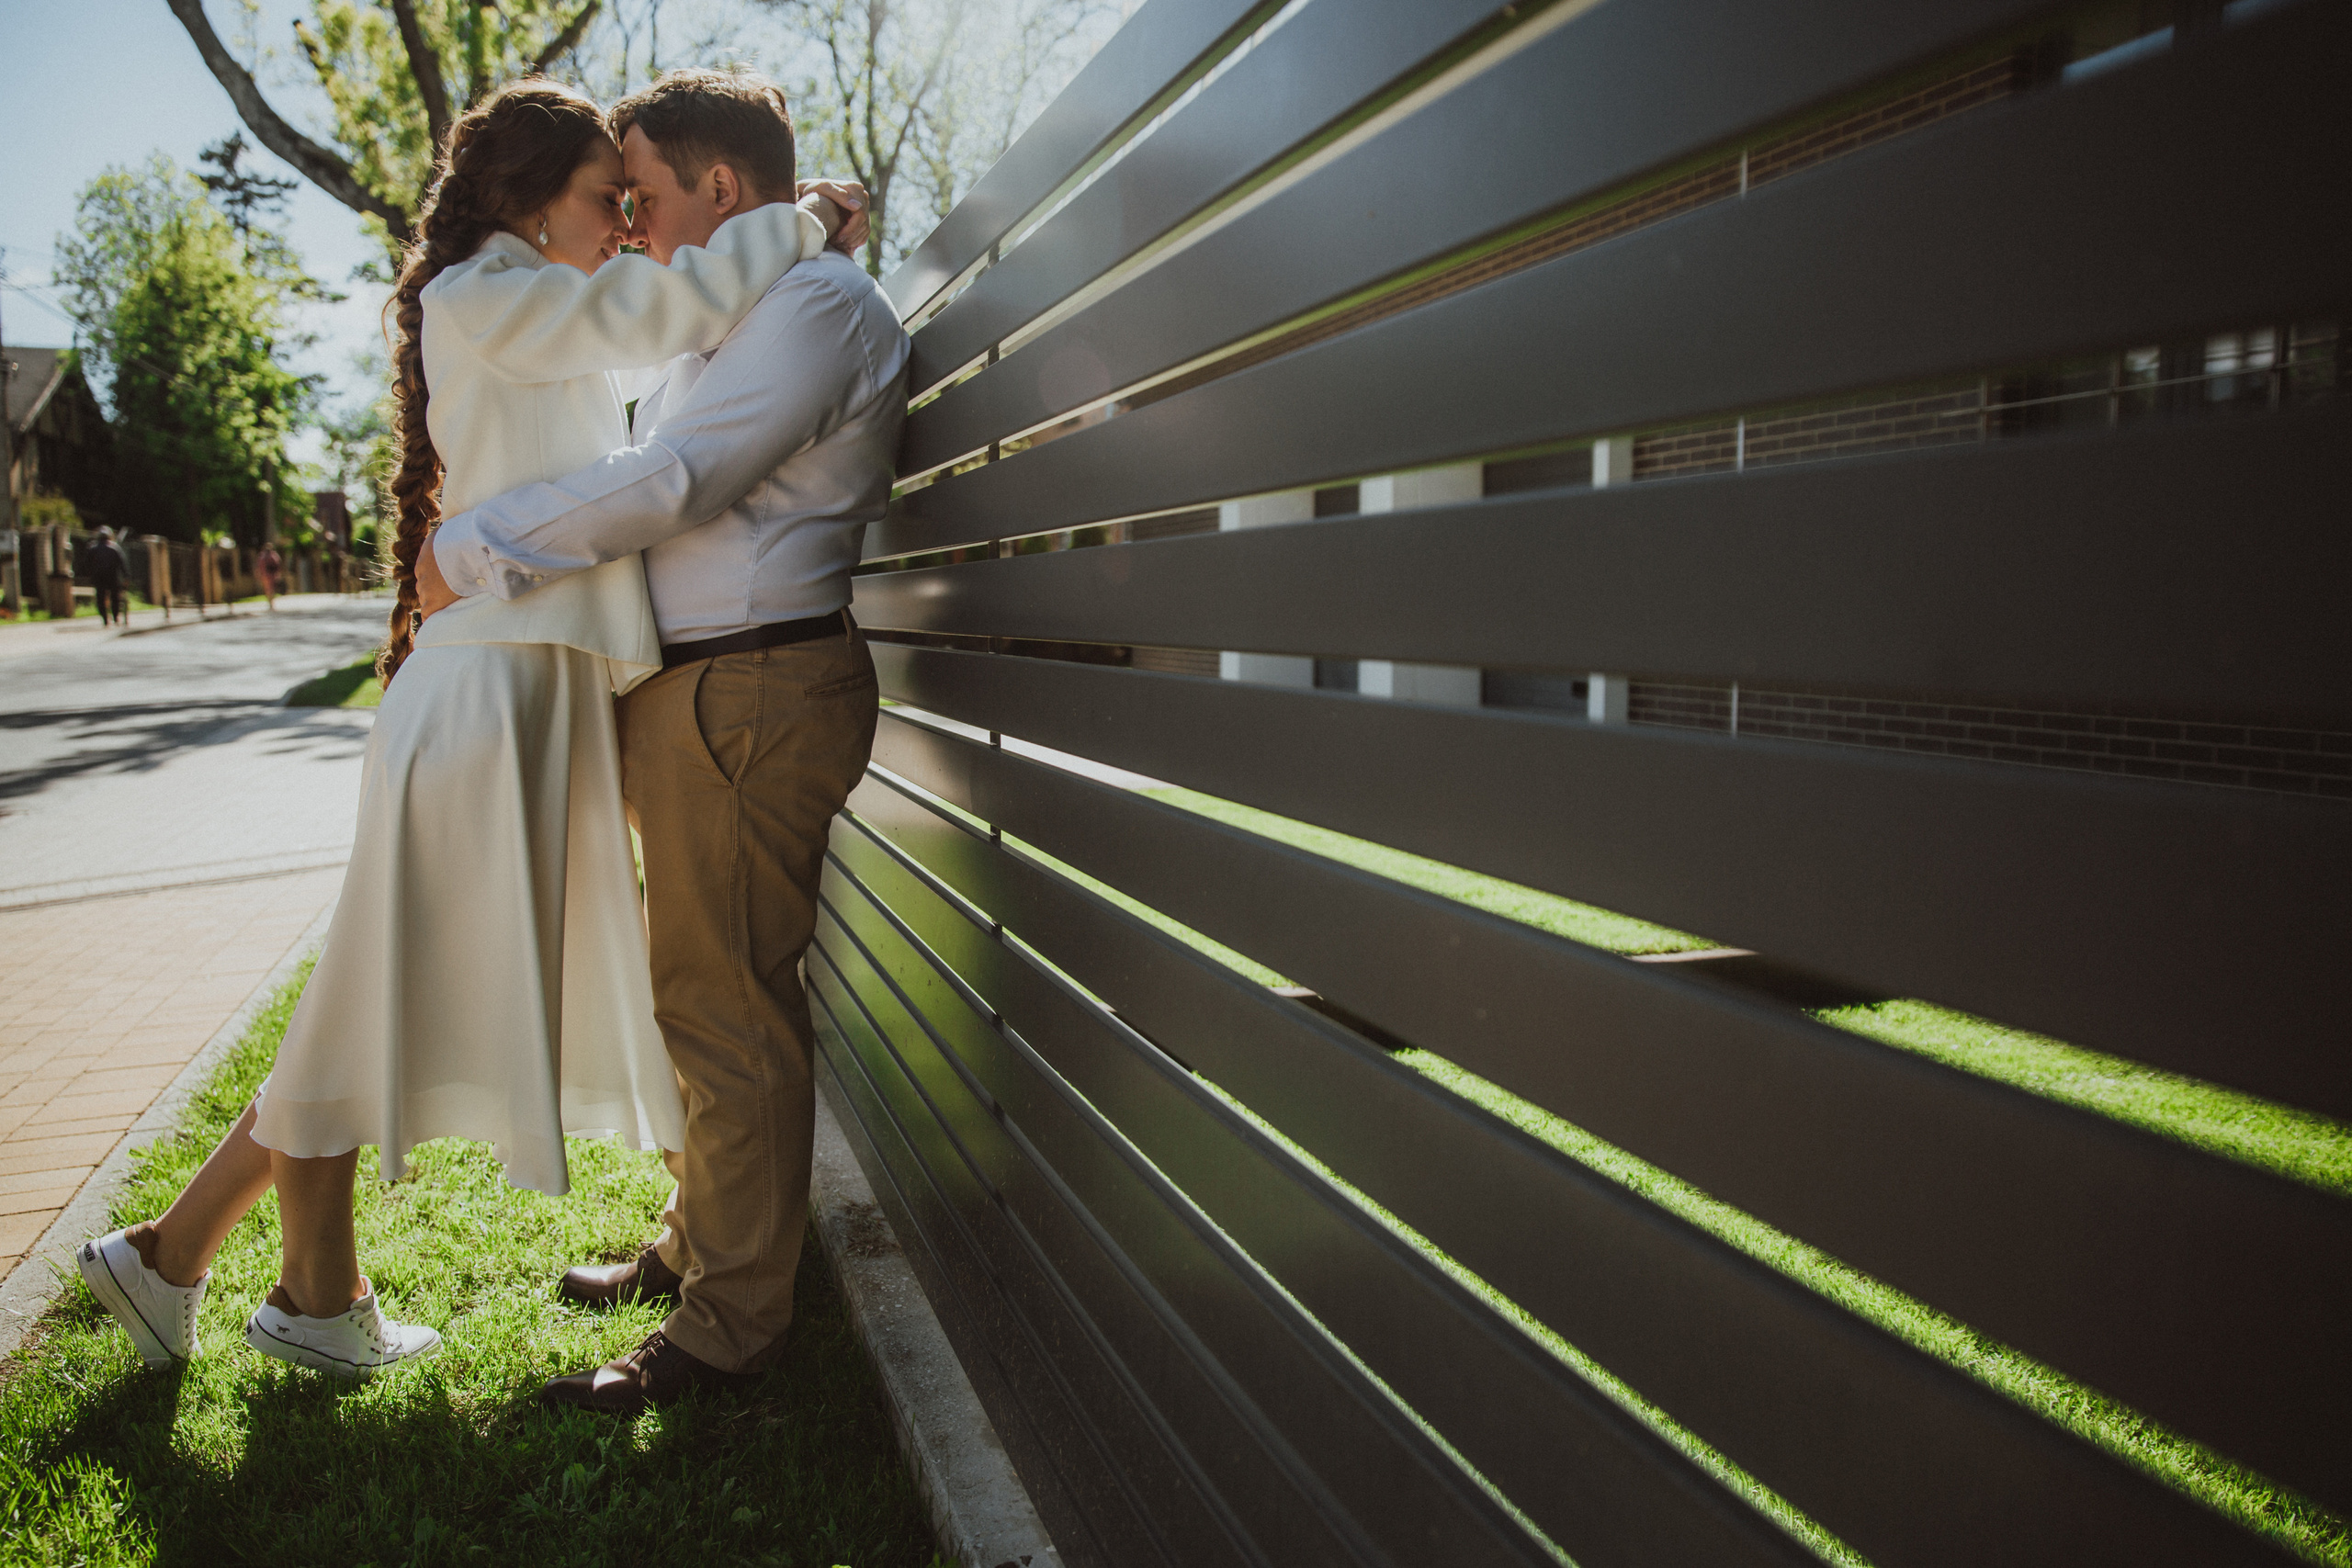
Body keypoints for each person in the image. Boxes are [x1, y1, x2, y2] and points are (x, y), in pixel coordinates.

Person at [77, 76, 865, 1379]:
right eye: (603, 200)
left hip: (526, 680)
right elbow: (670, 306)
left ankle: (292, 1287)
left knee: (380, 987)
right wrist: (807, 216)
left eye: (634, 201)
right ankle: (181, 1256)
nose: (623, 224)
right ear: (522, 202)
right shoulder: (487, 295)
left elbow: (658, 359)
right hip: (493, 681)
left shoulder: (536, 310)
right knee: (369, 993)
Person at [418, 67, 910, 1413]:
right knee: (699, 991)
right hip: (700, 693)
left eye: (641, 198)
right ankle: (703, 1247)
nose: (627, 230)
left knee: (727, 1000)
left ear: (721, 190)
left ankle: (731, 1330)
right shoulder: (744, 302)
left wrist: (470, 550)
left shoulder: (809, 308)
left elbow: (674, 481)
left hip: (751, 690)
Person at [88, 527, 129, 626]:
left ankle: (105, 618)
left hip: (99, 577)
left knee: (100, 598)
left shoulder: (93, 549)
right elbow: (122, 563)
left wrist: (91, 575)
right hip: (113, 576)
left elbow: (87, 563)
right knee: (115, 597)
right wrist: (126, 576)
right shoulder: (115, 548)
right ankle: (115, 617)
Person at [254, 542, 284, 611]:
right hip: (269, 575)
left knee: (269, 589)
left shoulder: (265, 556)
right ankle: (271, 602)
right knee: (270, 589)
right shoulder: (273, 555)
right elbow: (278, 565)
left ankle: (270, 601)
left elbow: (277, 565)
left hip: (268, 575)